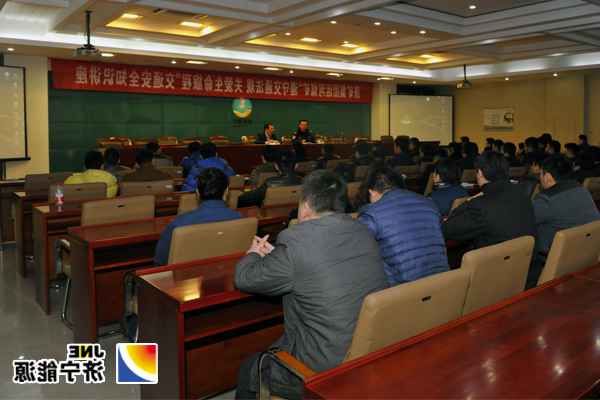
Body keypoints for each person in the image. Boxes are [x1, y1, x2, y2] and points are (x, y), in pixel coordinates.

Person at [233, 170, 389, 399]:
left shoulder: (296, 239)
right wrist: (281, 258)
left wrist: (254, 253)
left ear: (305, 208)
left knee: (248, 369)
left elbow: (244, 278)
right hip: (368, 353)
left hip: (323, 369)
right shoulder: (362, 230)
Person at [442, 151, 542, 290]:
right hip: (530, 274)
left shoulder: (481, 205)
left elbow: (448, 228)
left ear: (480, 174)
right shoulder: (523, 195)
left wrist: (471, 199)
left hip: (499, 282)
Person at [358, 163, 450, 286]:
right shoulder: (429, 204)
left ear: (372, 192)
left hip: (404, 289)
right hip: (442, 281)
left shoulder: (371, 212)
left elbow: (360, 249)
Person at [153, 168, 244, 267]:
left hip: (188, 275)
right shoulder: (241, 220)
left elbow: (160, 262)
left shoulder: (179, 224)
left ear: (198, 193)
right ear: (226, 192)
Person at [532, 154, 600, 253]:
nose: (540, 177)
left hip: (557, 254)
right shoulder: (580, 188)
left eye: (541, 174)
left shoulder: (547, 199)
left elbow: (523, 219)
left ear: (547, 177)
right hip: (590, 249)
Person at [237, 150, 303, 207]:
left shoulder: (269, 183)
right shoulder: (304, 182)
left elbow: (251, 197)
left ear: (276, 166)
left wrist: (241, 195)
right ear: (296, 166)